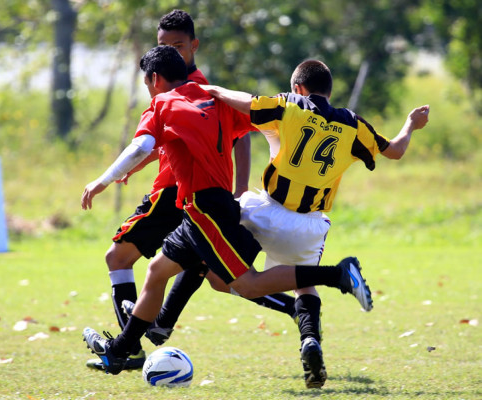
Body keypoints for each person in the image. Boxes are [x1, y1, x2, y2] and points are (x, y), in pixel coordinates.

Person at [80, 45, 372, 378]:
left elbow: (143, 145)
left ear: (155, 79)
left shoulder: (161, 103)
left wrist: (103, 180)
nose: (149, 91)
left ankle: (336, 275)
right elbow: (255, 125)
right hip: (204, 209)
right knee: (158, 271)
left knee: (245, 284)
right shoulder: (213, 100)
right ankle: (120, 351)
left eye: (147, 84)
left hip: (206, 210)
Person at [193, 59, 429, 388]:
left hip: (262, 212)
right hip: (308, 227)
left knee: (216, 270)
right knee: (304, 285)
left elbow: (246, 101)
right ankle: (310, 341)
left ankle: (156, 321)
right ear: (329, 92)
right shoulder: (353, 124)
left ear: (298, 88)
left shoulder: (290, 105)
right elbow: (397, 151)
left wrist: (212, 89)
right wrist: (410, 124)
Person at [87, 9, 293, 372]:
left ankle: (129, 349)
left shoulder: (182, 92)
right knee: (200, 273)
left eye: (178, 45)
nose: (171, 51)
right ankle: (148, 332)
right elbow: (165, 144)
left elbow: (234, 137)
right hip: (192, 194)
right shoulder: (197, 89)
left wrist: (240, 188)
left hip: (179, 192)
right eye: (164, 45)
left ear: (193, 46)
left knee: (120, 259)